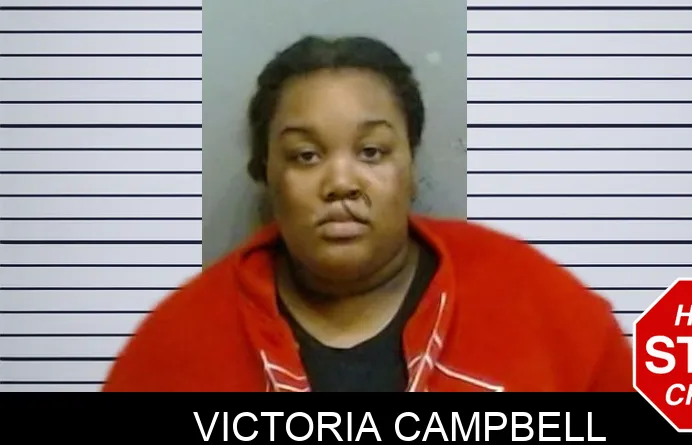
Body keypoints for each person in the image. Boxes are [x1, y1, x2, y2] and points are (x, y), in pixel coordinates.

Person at [102, 36, 634, 392]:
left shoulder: (541, 308)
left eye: (372, 152)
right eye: (305, 156)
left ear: (410, 166)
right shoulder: (176, 347)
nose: (341, 183)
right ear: (266, 173)